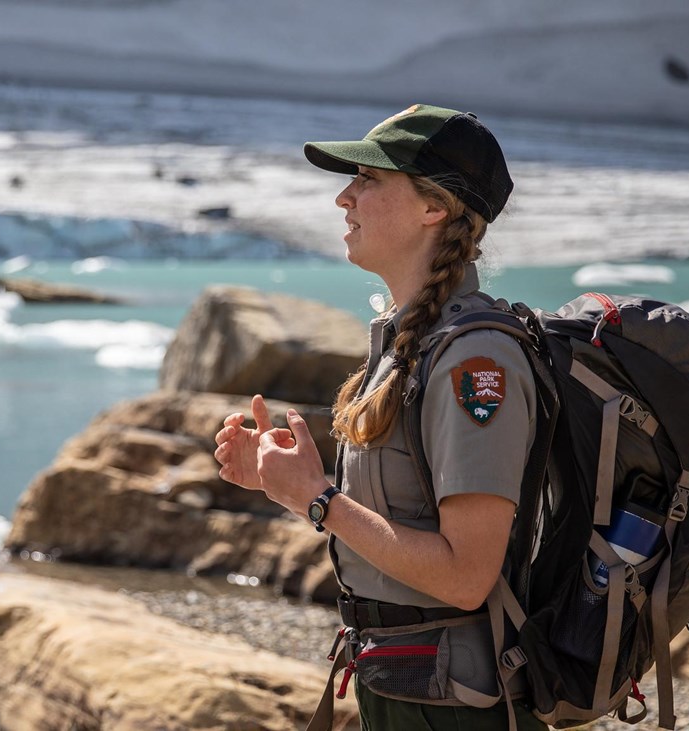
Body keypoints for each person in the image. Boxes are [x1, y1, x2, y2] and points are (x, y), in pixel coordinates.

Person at [213, 105, 546, 730]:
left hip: (455, 707)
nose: (345, 197)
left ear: (434, 208)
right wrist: (280, 482)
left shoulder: (477, 361)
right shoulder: (410, 342)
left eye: (369, 180)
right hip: (403, 683)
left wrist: (318, 501)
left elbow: (466, 577)